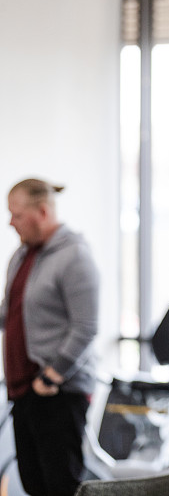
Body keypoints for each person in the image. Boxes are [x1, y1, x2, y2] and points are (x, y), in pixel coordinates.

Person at [1, 178, 99, 496]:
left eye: (16, 215)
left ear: (42, 211)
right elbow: (10, 311)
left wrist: (53, 375)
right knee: (33, 484)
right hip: (23, 390)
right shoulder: (22, 256)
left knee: (61, 486)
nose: (10, 222)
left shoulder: (75, 256)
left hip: (56, 392)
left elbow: (86, 326)